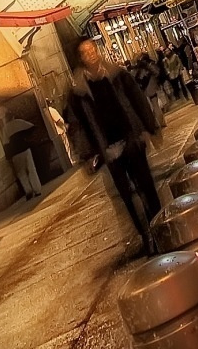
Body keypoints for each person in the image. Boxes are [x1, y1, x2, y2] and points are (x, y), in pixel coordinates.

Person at [66, 36, 164, 254]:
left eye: (92, 49)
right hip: (108, 148)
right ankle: (146, 235)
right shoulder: (78, 91)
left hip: (131, 138)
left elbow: (137, 99)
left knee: (146, 186)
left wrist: (150, 127)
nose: (91, 54)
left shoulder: (117, 74)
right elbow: (76, 125)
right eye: (85, 52)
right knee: (127, 197)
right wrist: (86, 155)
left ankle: (160, 225)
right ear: (80, 58)